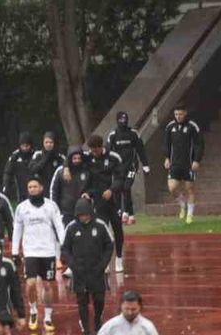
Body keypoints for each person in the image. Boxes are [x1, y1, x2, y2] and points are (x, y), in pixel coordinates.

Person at [12, 177, 67, 334]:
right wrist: (15, 251)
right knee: (30, 284)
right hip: (30, 251)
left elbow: (59, 226)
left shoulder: (51, 206)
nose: (32, 189)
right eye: (29, 187)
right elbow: (17, 230)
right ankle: (33, 310)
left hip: (48, 251)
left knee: (48, 285)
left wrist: (64, 246)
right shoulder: (22, 208)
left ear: (41, 188)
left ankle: (48, 316)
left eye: (35, 186)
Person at [60, 198, 114, 335]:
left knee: (99, 299)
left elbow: (109, 245)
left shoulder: (100, 225)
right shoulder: (71, 227)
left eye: (85, 214)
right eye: (80, 215)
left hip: (97, 270)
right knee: (82, 301)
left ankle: (97, 320)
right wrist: (72, 264)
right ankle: (85, 329)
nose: (83, 217)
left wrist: (103, 264)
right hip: (79, 272)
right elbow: (64, 248)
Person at [82, 135, 127, 273]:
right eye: (91, 150)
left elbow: (120, 178)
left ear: (101, 147)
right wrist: (88, 193)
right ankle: (104, 261)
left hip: (114, 200)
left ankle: (119, 257)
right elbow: (72, 157)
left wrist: (111, 190)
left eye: (96, 150)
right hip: (99, 200)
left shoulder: (113, 157)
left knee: (117, 229)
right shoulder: (87, 157)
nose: (93, 153)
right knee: (101, 230)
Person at [106, 111, 151, 225]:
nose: (123, 122)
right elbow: (108, 152)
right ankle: (121, 213)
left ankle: (129, 213)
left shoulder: (133, 133)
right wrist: (108, 166)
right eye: (121, 119)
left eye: (125, 119)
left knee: (126, 188)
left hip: (131, 166)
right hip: (117, 168)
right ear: (117, 120)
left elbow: (141, 149)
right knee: (118, 189)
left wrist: (145, 165)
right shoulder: (113, 135)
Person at [164, 107, 204, 224]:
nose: (178, 116)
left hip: (188, 164)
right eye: (176, 114)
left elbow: (199, 144)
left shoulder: (192, 126)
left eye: (180, 114)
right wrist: (166, 158)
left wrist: (196, 160)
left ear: (185, 113)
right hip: (174, 163)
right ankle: (183, 204)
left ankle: (190, 215)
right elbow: (166, 144)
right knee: (172, 188)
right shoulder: (170, 126)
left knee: (189, 189)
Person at [49, 145, 89, 226]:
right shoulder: (60, 171)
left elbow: (91, 187)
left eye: (79, 158)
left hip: (83, 211)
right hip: (65, 212)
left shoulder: (86, 170)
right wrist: (54, 209)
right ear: (70, 158)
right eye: (74, 158)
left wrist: (89, 194)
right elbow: (53, 191)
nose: (77, 160)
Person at [3, 132, 36, 203]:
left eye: (27, 146)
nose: (25, 148)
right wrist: (6, 187)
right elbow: (7, 173)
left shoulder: (36, 155)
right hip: (20, 191)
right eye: (23, 146)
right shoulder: (15, 156)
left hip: (34, 188)